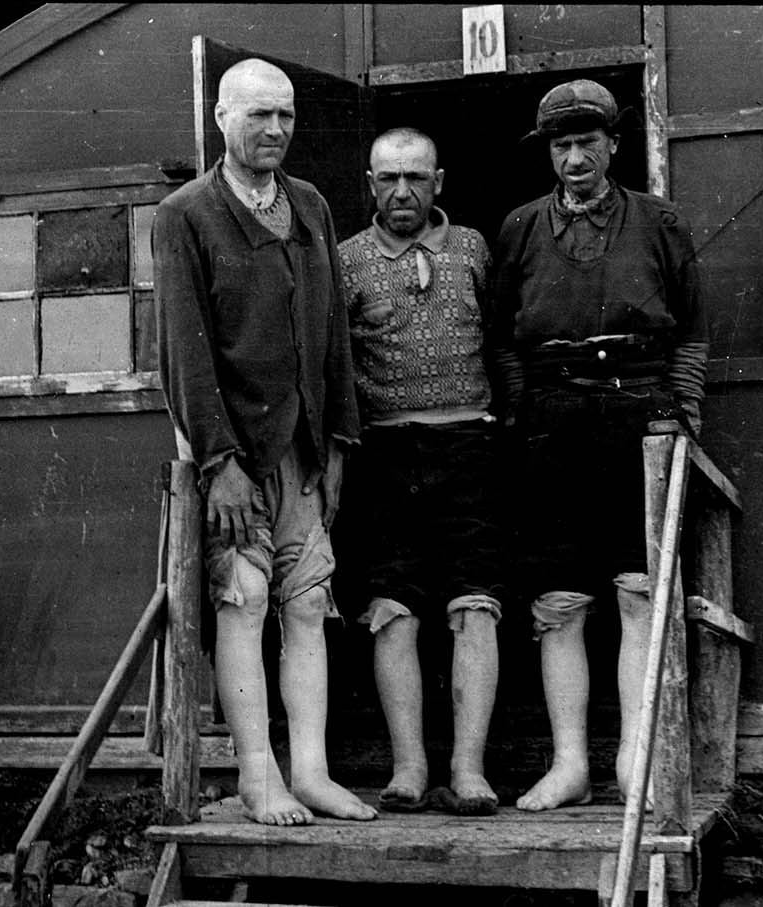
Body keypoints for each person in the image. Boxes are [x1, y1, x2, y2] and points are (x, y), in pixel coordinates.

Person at [152, 58, 377, 826]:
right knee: (243, 605)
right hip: (236, 458)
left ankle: (309, 770)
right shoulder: (186, 214)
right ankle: (258, 774)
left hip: (306, 451)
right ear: (221, 118)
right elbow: (184, 348)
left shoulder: (310, 204)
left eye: (284, 115)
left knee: (309, 605)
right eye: (258, 115)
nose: (275, 129)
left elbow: (334, 336)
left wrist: (339, 437)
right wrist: (217, 462)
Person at [490, 79, 709, 811]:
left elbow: (693, 331)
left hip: (639, 410)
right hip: (551, 421)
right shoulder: (518, 228)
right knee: (558, 600)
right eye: (562, 143)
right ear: (548, 153)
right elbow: (501, 343)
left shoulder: (659, 221)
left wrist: (680, 416)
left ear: (615, 144)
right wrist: (524, 411)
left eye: (588, 141)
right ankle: (571, 764)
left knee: (639, 593)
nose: (575, 156)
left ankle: (635, 763)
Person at [336, 128, 520, 815]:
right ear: (370, 182)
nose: (402, 192)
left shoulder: (473, 248)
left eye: (415, 177)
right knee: (392, 608)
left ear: (438, 180)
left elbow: (502, 338)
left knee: (475, 602)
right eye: (388, 178)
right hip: (384, 453)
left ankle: (468, 770)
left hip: (470, 444)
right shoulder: (347, 260)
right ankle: (409, 767)